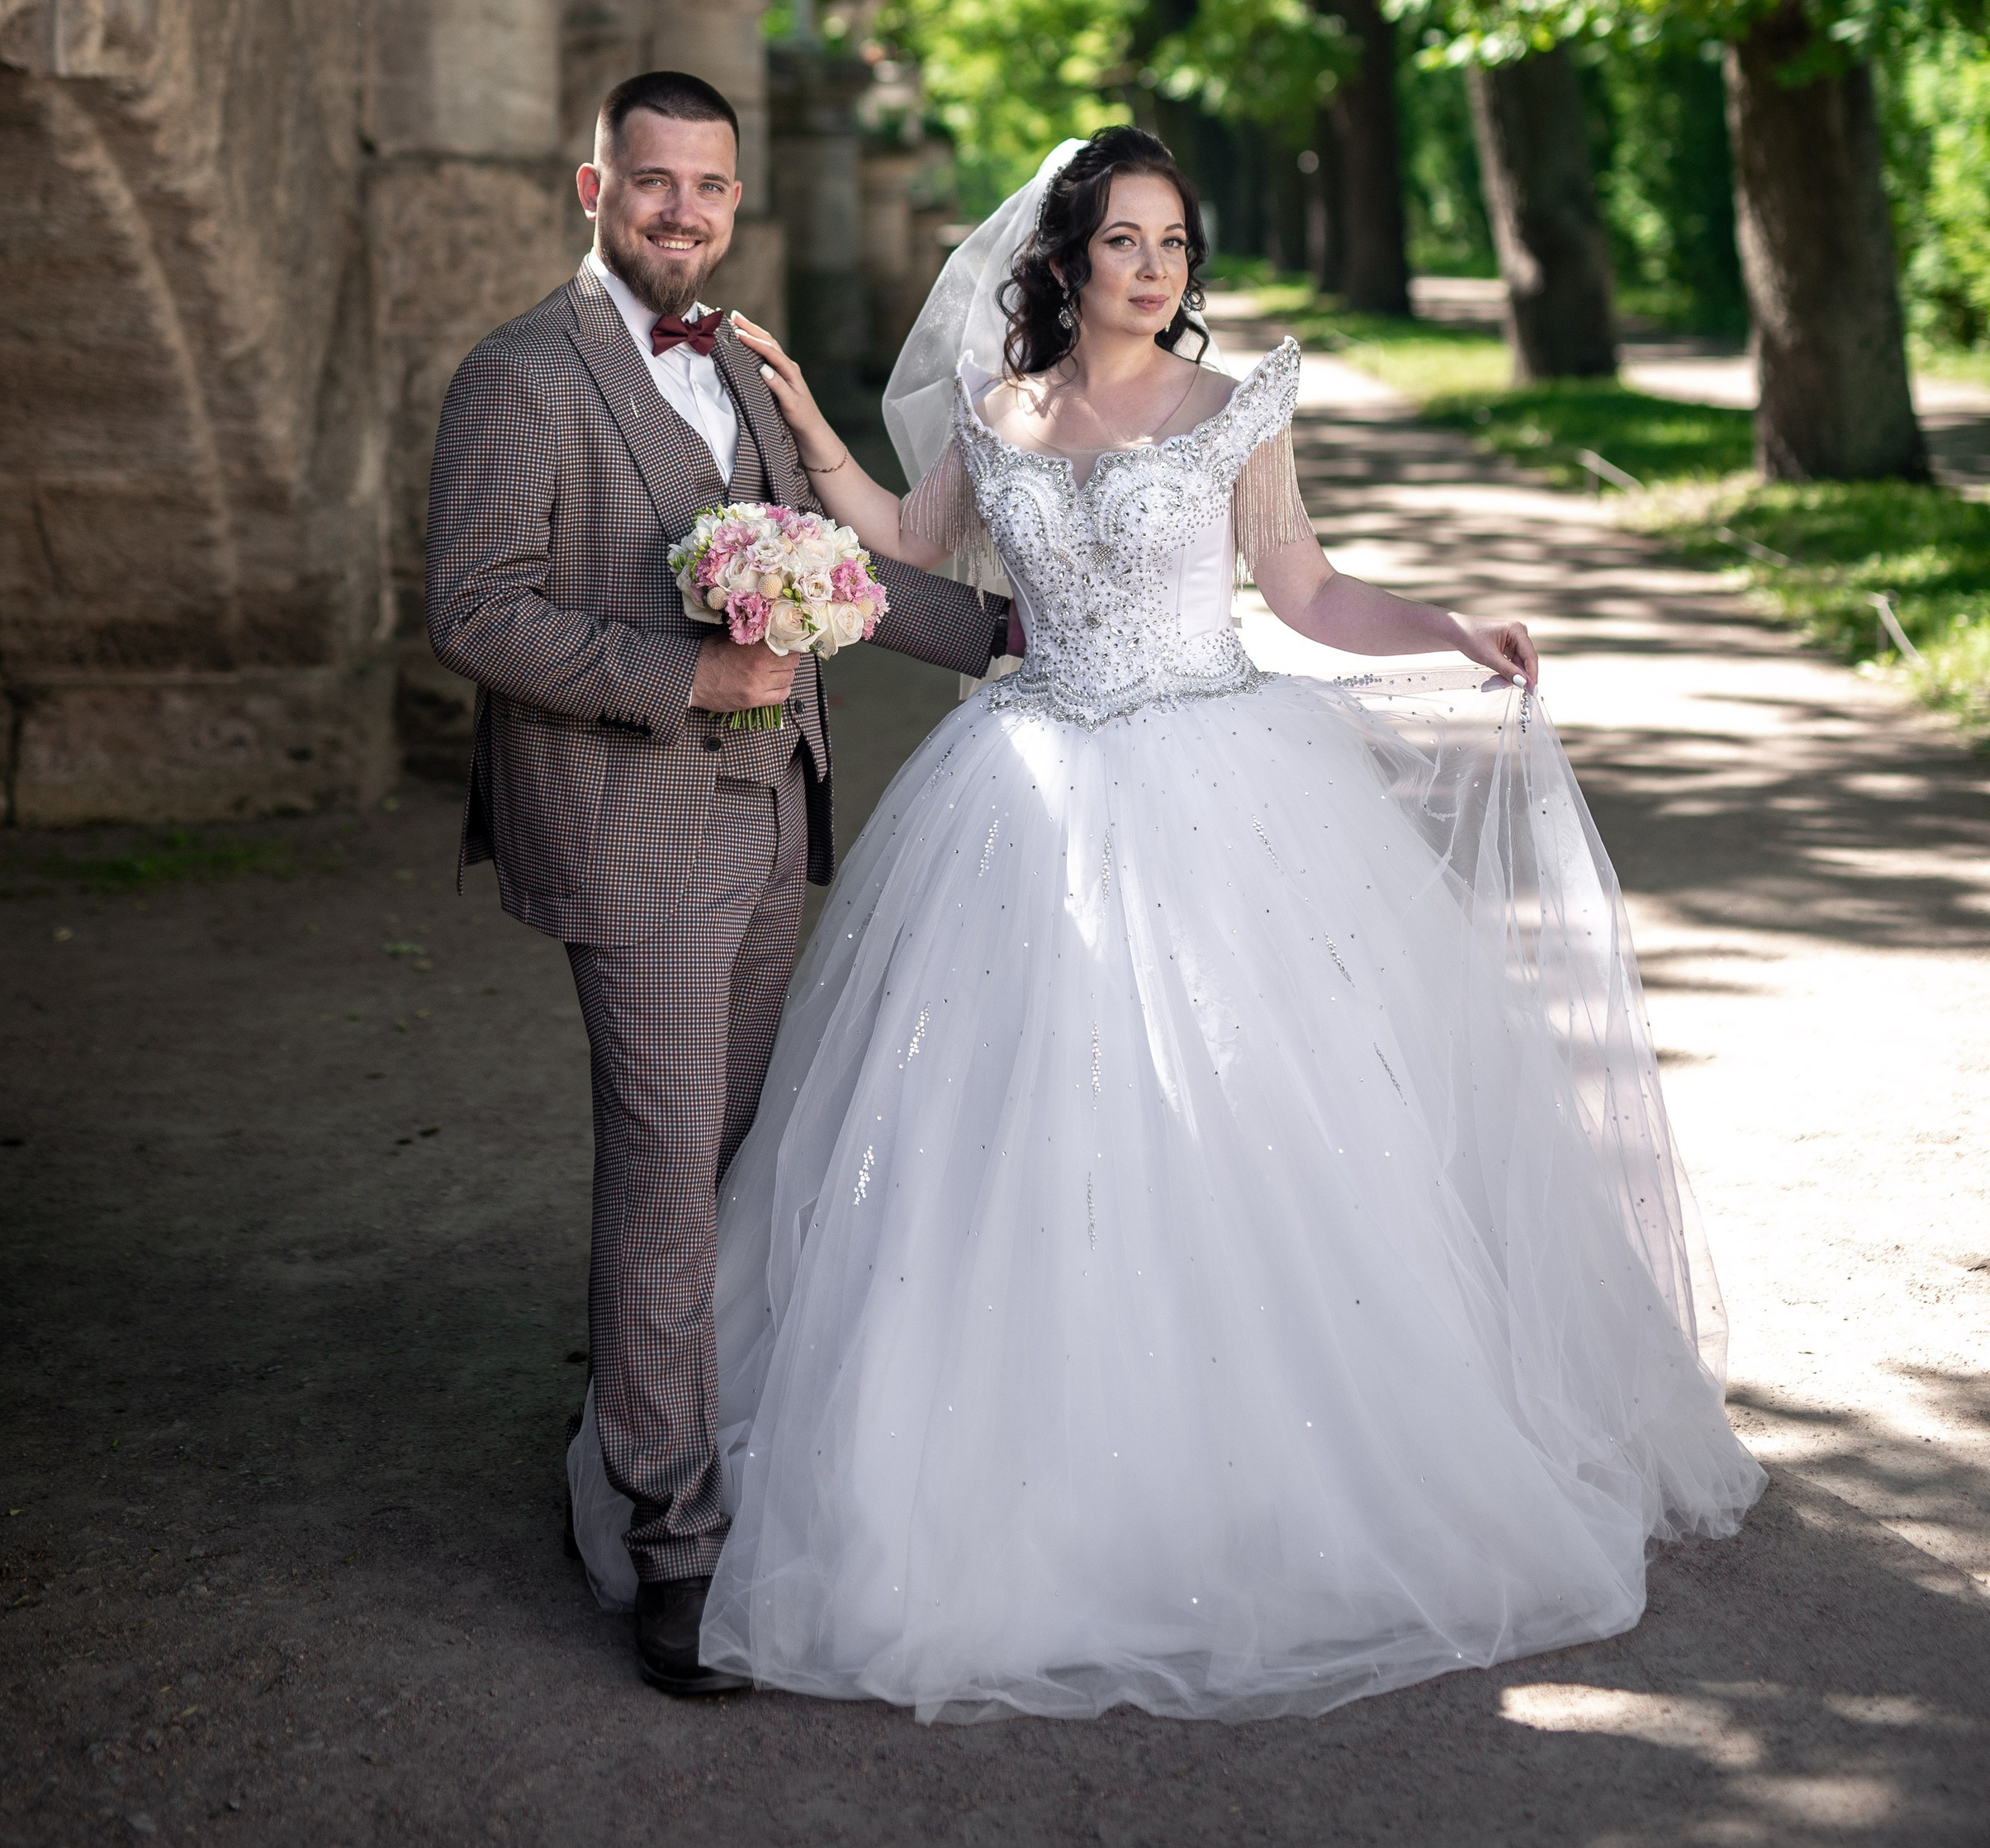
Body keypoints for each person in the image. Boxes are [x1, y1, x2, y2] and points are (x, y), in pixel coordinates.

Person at [571, 126, 1765, 1720]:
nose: (1155, 269)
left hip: (1223, 778)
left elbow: (1308, 589)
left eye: (1174, 245)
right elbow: (907, 540)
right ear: (1063, 261)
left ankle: (1279, 1476)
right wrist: (797, 420)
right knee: (1004, 1130)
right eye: (1125, 240)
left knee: (1253, 1123)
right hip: (1032, 788)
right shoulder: (1004, 413)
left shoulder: (1234, 408)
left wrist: (1446, 627)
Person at [424, 71, 1017, 1699]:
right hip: (629, 835)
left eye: (708, 186)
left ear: (735, 200)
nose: (681, 210)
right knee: (667, 1172)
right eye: (653, 182)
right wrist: (678, 678)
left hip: (773, 828)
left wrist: (1008, 636)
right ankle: (671, 1535)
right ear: (591, 184)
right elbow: (471, 611)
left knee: (740, 1166)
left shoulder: (744, 361)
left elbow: (827, 563)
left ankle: (636, 1415)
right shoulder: (521, 377)